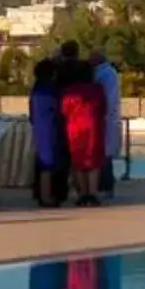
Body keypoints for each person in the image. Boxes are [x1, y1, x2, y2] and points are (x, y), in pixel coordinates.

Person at [56, 54, 105, 207]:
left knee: (78, 162)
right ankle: (92, 193)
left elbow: (64, 110)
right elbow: (104, 108)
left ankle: (83, 194)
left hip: (75, 129)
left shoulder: (70, 92)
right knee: (93, 161)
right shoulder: (97, 90)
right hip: (94, 127)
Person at [28, 58, 66, 207]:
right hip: (50, 127)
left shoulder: (36, 90)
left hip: (39, 128)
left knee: (43, 162)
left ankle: (43, 194)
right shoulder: (51, 90)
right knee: (48, 164)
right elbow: (58, 109)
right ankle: (46, 196)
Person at [90, 48, 124, 196]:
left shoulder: (102, 74)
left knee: (104, 154)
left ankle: (105, 185)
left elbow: (106, 97)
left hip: (105, 118)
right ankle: (105, 185)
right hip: (109, 118)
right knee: (106, 153)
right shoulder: (110, 73)